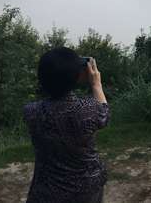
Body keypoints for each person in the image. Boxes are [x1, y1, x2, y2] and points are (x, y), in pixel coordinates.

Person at [24, 47, 109, 203]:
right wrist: (96, 84)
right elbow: (104, 113)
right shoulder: (86, 109)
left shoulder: (30, 111)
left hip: (46, 191)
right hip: (86, 188)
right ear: (76, 77)